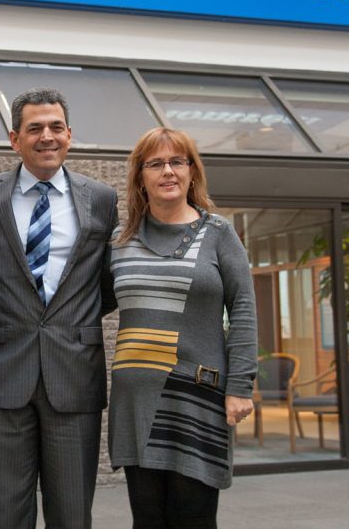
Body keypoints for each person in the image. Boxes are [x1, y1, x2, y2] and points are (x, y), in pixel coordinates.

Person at [0, 87, 119, 529]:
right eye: (34, 129)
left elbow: (107, 283)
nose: (46, 136)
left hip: (75, 371)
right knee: (7, 513)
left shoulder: (102, 200)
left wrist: (72, 321)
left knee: (72, 514)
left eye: (56, 127)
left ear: (70, 135)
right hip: (2, 371)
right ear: (15, 139)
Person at [108, 126, 257, 529]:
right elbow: (84, 303)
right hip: (136, 401)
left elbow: (243, 309)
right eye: (155, 163)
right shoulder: (121, 242)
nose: (168, 171)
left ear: (193, 171)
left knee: (194, 519)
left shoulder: (218, 233)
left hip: (196, 397)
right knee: (148, 521)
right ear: (141, 176)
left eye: (177, 161)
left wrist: (240, 385)